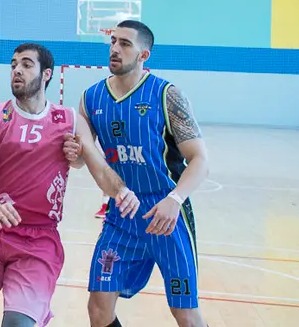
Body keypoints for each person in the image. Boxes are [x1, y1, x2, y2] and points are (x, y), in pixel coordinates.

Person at [0, 43, 140, 327]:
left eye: (27, 65)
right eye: (14, 64)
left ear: (46, 74)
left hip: (37, 241)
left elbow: (97, 165)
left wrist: (121, 192)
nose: (17, 69)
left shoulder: (68, 120)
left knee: (18, 324)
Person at [79, 20, 210, 327]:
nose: (115, 49)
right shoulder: (91, 98)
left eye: (125, 44)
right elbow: (82, 158)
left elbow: (200, 159)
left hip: (167, 215)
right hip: (122, 214)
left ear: (143, 55)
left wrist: (175, 199)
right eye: (113, 42)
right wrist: (74, 154)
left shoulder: (167, 95)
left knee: (186, 315)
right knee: (98, 307)